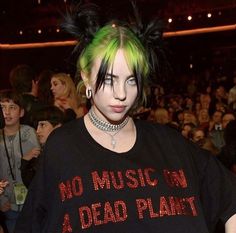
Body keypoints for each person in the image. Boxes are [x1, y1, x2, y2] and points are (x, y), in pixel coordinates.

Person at [15, 3, 236, 233]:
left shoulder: (170, 142)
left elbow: (229, 196)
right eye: (109, 79)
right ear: (87, 77)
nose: (121, 93)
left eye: (131, 80)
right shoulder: (62, 146)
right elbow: (33, 222)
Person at [0, 90, 40, 233]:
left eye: (12, 107)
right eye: (2, 107)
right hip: (8, 204)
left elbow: (38, 167)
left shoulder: (29, 133)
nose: (6, 112)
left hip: (31, 202)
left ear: (21, 112)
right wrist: (1, 200)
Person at [20, 105, 64, 188]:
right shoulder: (45, 152)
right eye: (37, 125)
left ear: (57, 127)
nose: (37, 131)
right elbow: (32, 185)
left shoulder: (63, 153)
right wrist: (25, 162)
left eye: (42, 125)